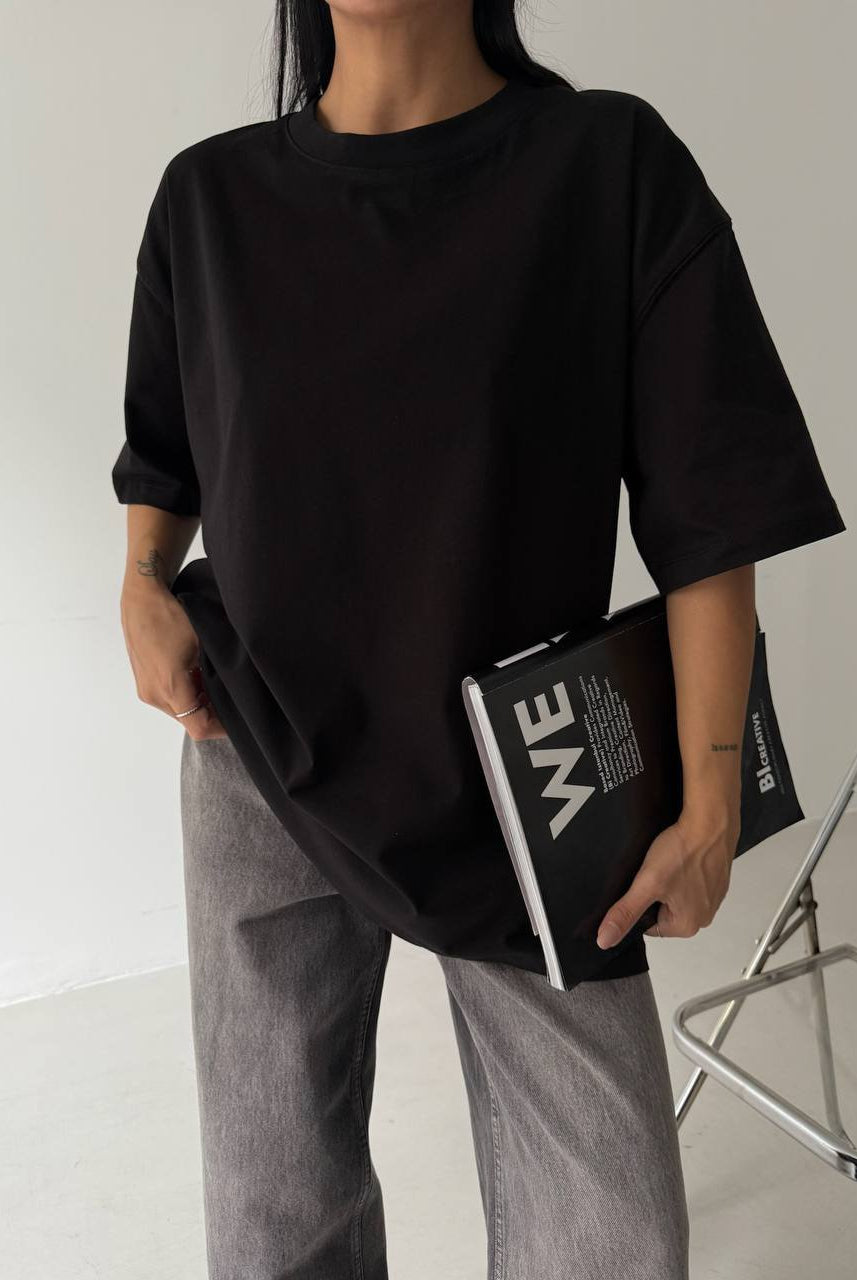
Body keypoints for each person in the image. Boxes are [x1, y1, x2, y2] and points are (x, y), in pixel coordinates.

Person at [112, 3, 846, 1276]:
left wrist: (711, 796)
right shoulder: (208, 200)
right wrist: (139, 582)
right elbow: (163, 451)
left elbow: (709, 511)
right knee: (276, 1213)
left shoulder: (606, 167)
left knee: (612, 1238)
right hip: (257, 750)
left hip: (532, 785)